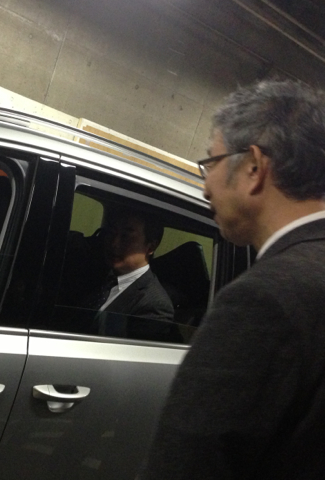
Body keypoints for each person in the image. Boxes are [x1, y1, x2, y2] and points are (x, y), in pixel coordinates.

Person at [140, 80, 325, 479]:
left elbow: (186, 466)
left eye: (211, 162)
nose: (205, 186)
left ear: (254, 167)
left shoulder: (263, 299)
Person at [85, 209, 174, 330]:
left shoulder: (154, 305)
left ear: (151, 246)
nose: (114, 243)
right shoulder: (99, 273)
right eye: (112, 233)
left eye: (126, 237)